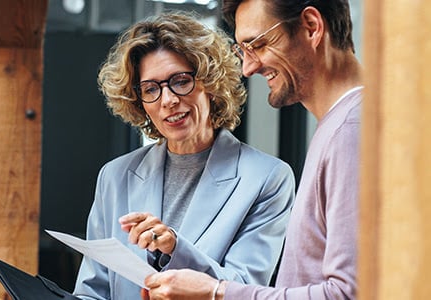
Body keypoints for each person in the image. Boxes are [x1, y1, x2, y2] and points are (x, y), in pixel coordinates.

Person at [142, 0, 362, 299]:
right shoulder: (339, 124)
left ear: (311, 27)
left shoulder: (351, 129)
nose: (248, 67)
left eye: (258, 44)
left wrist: (216, 292)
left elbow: (349, 294)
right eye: (243, 51)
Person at [73, 11, 296, 299]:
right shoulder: (115, 176)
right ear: (139, 102)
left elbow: (243, 288)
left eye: (180, 81)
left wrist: (176, 248)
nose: (168, 100)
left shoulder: (267, 178)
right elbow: (92, 291)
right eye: (151, 89)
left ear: (211, 84)